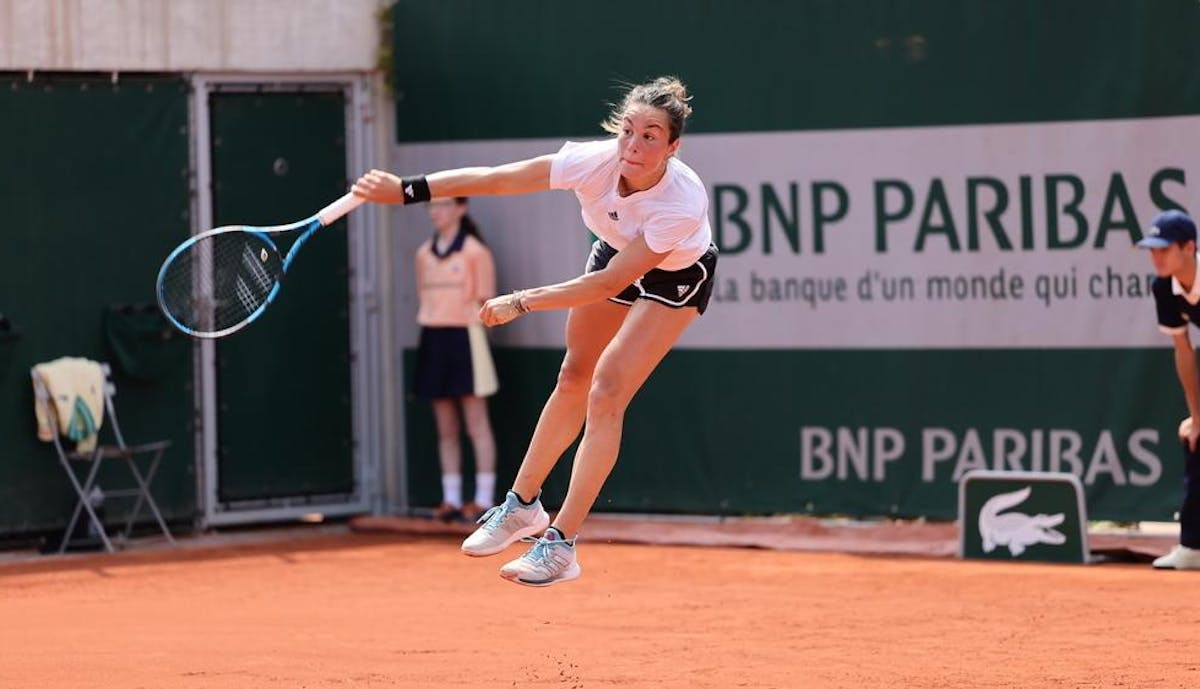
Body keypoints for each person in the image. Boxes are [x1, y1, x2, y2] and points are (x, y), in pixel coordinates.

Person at [353, 76, 716, 586]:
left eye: (651, 136)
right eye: (628, 131)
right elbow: (501, 178)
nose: (633, 145)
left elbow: (609, 283)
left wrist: (523, 301)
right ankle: (522, 506)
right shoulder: (595, 162)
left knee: (607, 387)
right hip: (615, 253)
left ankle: (561, 545)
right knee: (573, 375)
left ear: (672, 147)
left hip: (674, 275)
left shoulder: (681, 201)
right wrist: (409, 190)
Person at [412, 197, 499, 523]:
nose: (436, 211)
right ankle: (450, 499)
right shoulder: (422, 254)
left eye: (444, 205)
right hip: (433, 339)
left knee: (477, 423)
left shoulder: (476, 252)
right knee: (445, 426)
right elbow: (423, 297)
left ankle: (484, 500)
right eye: (431, 206)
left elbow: (488, 305)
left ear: (461, 209)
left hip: (469, 338)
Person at [1137, 209, 1200, 570]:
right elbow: (1184, 351)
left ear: (1189, 247)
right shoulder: (1164, 287)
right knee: (1195, 437)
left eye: (1164, 249)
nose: (1156, 257)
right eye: (1152, 250)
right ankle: (1193, 547)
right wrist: (1196, 416)